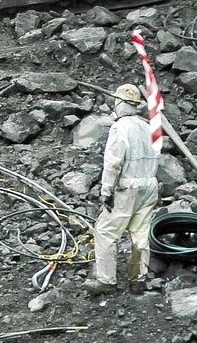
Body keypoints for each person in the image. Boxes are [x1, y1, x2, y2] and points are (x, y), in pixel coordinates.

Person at [85, 83, 161, 295]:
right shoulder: (148, 127)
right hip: (149, 185)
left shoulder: (120, 128)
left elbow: (113, 163)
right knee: (140, 233)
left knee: (105, 231)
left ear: (120, 103)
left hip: (127, 186)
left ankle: (106, 281)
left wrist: (106, 192)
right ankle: (138, 279)